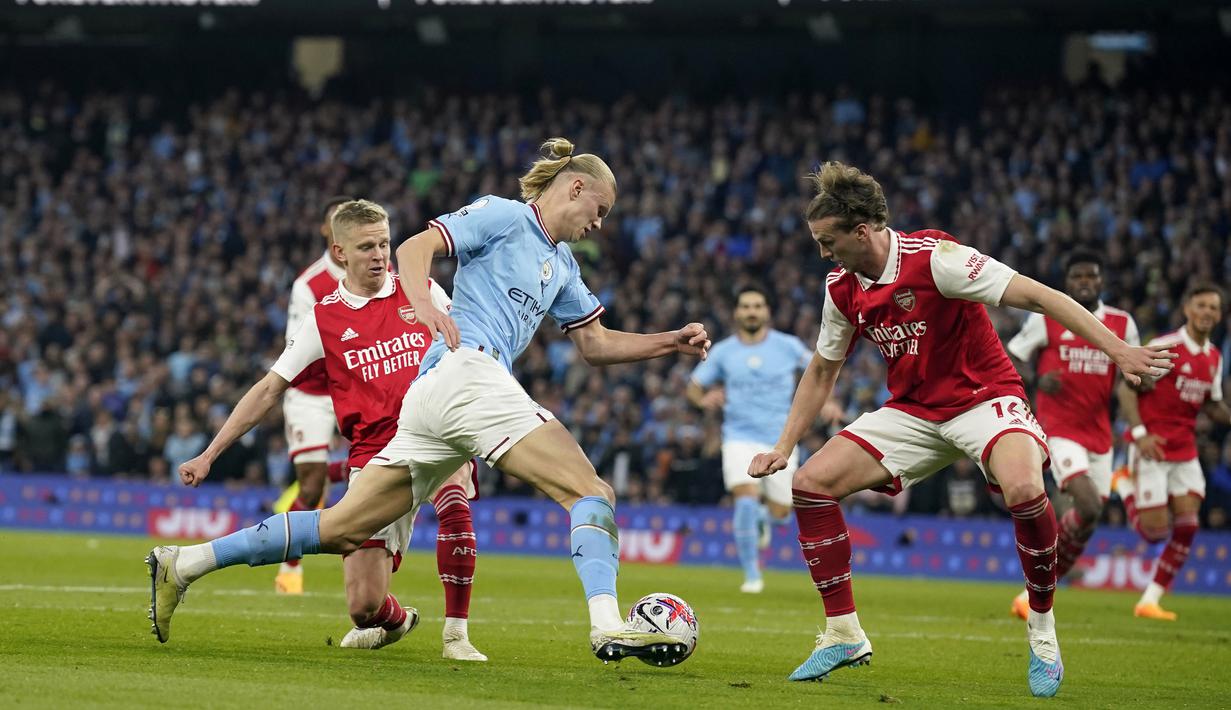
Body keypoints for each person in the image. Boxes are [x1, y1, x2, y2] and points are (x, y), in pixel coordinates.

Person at [148, 138, 712, 666]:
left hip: (433, 399)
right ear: (576, 188)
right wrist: (422, 304)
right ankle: (607, 625)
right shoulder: (505, 215)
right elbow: (419, 246)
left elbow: (595, 343)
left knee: (343, 527)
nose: (598, 223)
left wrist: (669, 342)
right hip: (468, 374)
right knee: (592, 491)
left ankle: (186, 562)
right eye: (601, 210)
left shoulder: (563, 267)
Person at [747, 162, 1173, 697]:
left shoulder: (938, 259)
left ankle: (1042, 632)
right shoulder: (841, 288)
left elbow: (1041, 297)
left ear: (862, 232)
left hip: (984, 399)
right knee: (809, 484)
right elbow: (823, 369)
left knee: (1024, 490)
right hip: (914, 411)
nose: (823, 252)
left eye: (828, 241)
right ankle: (843, 632)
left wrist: (1118, 350)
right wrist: (785, 446)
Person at [154, 200, 486, 661]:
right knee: (363, 606)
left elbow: (470, 351)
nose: (379, 255)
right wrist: (209, 453)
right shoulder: (325, 317)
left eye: (385, 244)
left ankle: (457, 636)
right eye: (366, 246)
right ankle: (395, 620)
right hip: (375, 454)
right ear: (340, 252)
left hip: (436, 433)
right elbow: (269, 389)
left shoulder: (423, 290)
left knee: (454, 499)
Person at [1004, 250, 1140, 619]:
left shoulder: (1121, 323)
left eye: (1090, 276)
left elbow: (1130, 376)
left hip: (1100, 433)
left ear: (1101, 281)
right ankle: (1040, 580)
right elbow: (1012, 356)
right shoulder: (1046, 319)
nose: (1084, 281)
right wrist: (1035, 379)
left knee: (1091, 516)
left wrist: (1138, 396)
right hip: (1059, 428)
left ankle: (1034, 592)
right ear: (1066, 283)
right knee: (1089, 503)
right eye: (1077, 276)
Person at [1115, 283, 1230, 621]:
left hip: (1185, 450)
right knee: (1154, 533)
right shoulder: (1167, 347)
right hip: (1153, 446)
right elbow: (1127, 389)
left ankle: (1150, 600)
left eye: (1214, 307)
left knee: (1189, 525)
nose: (1208, 312)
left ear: (1220, 315)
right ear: (1187, 309)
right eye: (1202, 305)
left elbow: (1213, 404)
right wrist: (1139, 435)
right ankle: (1122, 483)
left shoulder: (1214, 357)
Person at [687, 285, 812, 593]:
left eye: (757, 305)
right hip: (738, 437)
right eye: (745, 306)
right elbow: (693, 386)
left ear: (767, 311)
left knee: (781, 514)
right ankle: (752, 576)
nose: (752, 311)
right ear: (736, 313)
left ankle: (762, 518)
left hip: (781, 440)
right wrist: (703, 400)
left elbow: (821, 370)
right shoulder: (724, 351)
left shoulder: (788, 346)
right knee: (744, 497)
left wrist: (829, 402)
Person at [276, 195, 352, 595]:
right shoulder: (309, 285)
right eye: (335, 220)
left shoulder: (380, 272)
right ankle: (289, 568)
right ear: (326, 230)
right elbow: (299, 347)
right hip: (312, 392)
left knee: (374, 472)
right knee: (310, 488)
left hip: (359, 385)